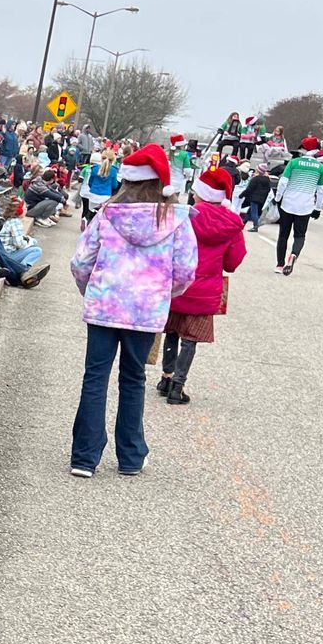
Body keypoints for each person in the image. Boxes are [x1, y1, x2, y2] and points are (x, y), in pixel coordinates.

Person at [68, 143, 197, 478]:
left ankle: (84, 456)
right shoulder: (175, 219)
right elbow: (185, 270)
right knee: (134, 378)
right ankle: (130, 455)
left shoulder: (108, 214)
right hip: (146, 309)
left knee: (95, 377)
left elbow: (81, 261)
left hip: (105, 305)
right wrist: (164, 294)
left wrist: (90, 290)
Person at [157, 166, 246, 404]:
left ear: (201, 193)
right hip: (206, 290)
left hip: (178, 284)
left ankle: (166, 377)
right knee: (190, 339)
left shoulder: (185, 215)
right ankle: (178, 386)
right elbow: (233, 262)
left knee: (172, 330)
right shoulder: (232, 224)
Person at [271, 137, 323, 274]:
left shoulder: (294, 162)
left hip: (288, 203)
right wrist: (318, 208)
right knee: (300, 235)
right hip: (306, 206)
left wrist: (277, 198)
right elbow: (321, 190)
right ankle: (294, 254)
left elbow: (283, 182)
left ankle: (280, 264)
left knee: (283, 235)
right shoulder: (320, 167)